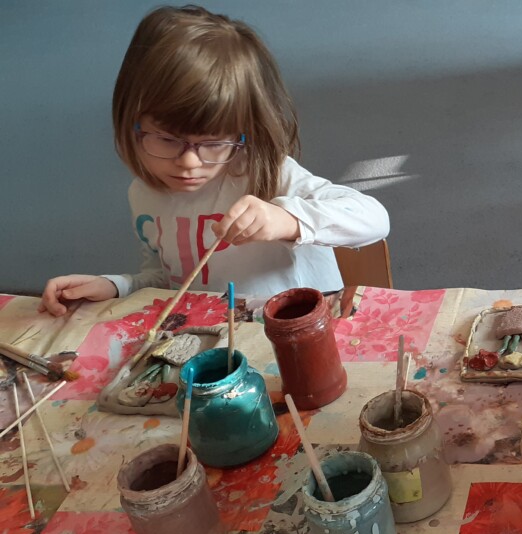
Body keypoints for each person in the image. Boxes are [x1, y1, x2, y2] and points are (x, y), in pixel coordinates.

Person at [40, 5, 388, 315]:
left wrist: (287, 219)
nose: (189, 162)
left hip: (299, 330)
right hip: (215, 341)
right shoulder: (143, 194)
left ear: (241, 133)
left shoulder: (264, 175)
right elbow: (172, 280)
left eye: (213, 142)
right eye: (166, 139)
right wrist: (117, 285)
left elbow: (374, 219)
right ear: (130, 124)